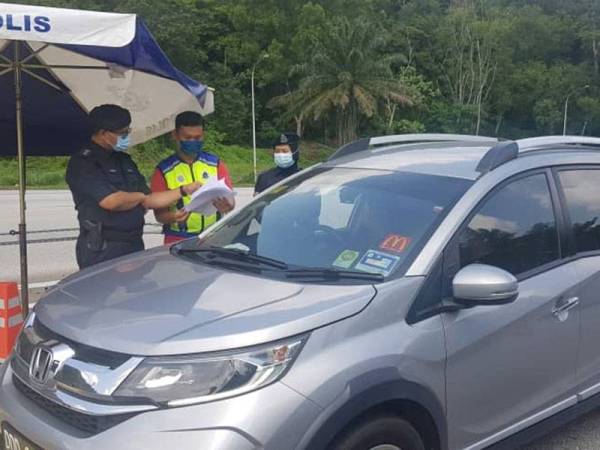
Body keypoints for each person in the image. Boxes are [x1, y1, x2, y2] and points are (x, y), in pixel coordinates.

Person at [66, 104, 201, 269]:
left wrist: (183, 190)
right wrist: (140, 197)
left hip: (133, 243)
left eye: (127, 131)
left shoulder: (124, 160)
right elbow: (111, 201)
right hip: (103, 248)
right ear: (103, 133)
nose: (126, 137)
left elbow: (150, 199)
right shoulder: (83, 163)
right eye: (122, 133)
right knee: (103, 292)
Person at [151, 111, 235, 244]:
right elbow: (160, 215)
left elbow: (231, 201)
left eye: (197, 138)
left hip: (213, 236)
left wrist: (227, 206)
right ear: (175, 135)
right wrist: (174, 217)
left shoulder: (215, 163)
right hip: (177, 239)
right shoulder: (163, 170)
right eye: (187, 137)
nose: (193, 141)